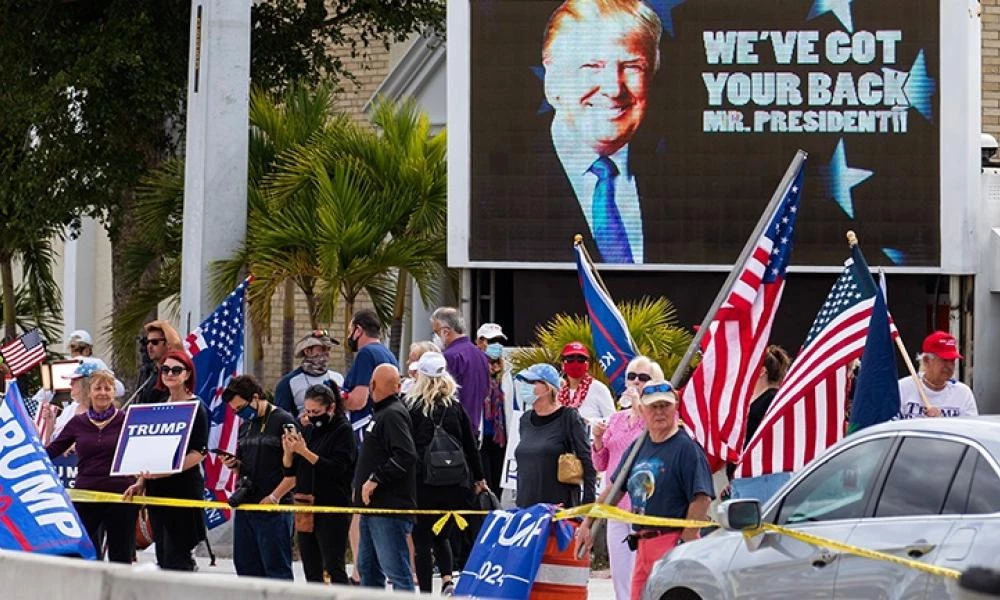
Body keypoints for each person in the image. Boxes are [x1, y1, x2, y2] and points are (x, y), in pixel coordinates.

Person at [545, 0, 663, 264]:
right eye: (591, 67)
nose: (613, 88)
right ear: (552, 82)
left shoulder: (677, 178)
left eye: (632, 66)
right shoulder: (494, 188)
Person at [577, 380, 714, 600]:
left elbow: (702, 497)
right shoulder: (638, 447)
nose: (659, 412)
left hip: (671, 543)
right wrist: (588, 522)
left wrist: (683, 542)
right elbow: (615, 490)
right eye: (653, 406)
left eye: (665, 405)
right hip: (642, 544)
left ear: (675, 407)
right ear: (642, 408)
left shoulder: (686, 448)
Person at [406, 352, 487, 595]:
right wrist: (479, 478)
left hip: (424, 483)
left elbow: (407, 448)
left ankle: (426, 592)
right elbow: (471, 446)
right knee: (442, 535)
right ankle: (447, 579)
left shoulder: (412, 407)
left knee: (422, 539)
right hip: (455, 484)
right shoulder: (455, 407)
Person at [123, 350, 209, 571]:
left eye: (176, 370)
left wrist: (169, 470)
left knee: (177, 557)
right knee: (162, 554)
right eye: (165, 369)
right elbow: (150, 448)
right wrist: (141, 480)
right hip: (156, 490)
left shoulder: (197, 407)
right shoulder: (157, 402)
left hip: (183, 490)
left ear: (187, 374)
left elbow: (200, 452)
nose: (170, 374)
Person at [46, 368, 137, 563]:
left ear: (114, 392)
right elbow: (52, 450)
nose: (103, 393)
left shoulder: (127, 420)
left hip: (121, 496)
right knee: (82, 554)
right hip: (86, 496)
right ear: (90, 392)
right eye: (98, 388)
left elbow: (143, 450)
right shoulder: (77, 423)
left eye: (108, 388)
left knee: (121, 557)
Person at [591, 356, 663, 600]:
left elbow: (656, 435)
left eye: (643, 378)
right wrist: (598, 441)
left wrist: (641, 406)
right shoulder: (617, 418)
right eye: (631, 376)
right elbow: (601, 464)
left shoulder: (658, 416)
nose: (635, 382)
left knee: (642, 571)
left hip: (645, 503)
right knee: (620, 571)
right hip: (615, 503)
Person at [341, 308, 400, 583]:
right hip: (381, 432)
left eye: (350, 329)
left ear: (358, 330)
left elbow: (359, 400)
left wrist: (337, 397)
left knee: (358, 501)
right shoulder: (387, 355)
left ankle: (359, 569)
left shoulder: (366, 356)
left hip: (363, 432)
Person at [221, 374, 298, 580]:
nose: (239, 414)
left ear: (255, 397)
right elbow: (247, 467)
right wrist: (234, 465)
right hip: (247, 506)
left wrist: (274, 497)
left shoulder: (284, 421)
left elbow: (297, 472)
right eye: (235, 411)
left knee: (276, 571)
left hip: (275, 510)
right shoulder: (246, 426)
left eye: (241, 408)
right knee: (246, 569)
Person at [282, 383, 357, 584]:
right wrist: (289, 452)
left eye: (316, 411)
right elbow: (292, 471)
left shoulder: (343, 430)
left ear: (330, 408)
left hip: (331, 505)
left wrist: (305, 452)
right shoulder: (309, 430)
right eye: (307, 411)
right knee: (311, 567)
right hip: (306, 503)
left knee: (333, 565)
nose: (311, 416)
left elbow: (338, 468)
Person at [353, 364, 418, 591]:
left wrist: (375, 479)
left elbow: (406, 455)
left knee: (396, 572)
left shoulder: (392, 414)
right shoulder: (381, 414)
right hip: (373, 509)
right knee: (368, 569)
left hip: (388, 508)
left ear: (372, 386)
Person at [514, 363, 596, 507]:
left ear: (547, 387)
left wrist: (587, 504)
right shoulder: (525, 419)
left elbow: (586, 459)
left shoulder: (568, 417)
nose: (526, 386)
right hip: (526, 506)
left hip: (558, 506)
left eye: (532, 382)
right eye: (525, 382)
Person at [725, 345, 791, 481]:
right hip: (740, 476)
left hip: (760, 475)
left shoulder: (772, 400)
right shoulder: (750, 400)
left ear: (761, 372)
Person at [431, 307, 490, 437]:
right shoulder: (481, 355)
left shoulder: (449, 356)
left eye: (435, 332)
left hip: (452, 430)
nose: (434, 337)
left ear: (445, 331)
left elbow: (441, 395)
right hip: (474, 427)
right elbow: (486, 390)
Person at [900, 331, 978, 418]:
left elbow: (970, 428)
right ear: (926, 360)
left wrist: (941, 421)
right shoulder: (902, 388)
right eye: (944, 360)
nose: (949, 366)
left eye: (952, 361)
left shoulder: (963, 393)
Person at [274, 330, 345, 424]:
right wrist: (300, 422)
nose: (327, 353)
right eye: (322, 349)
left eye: (328, 349)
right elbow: (280, 420)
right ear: (307, 351)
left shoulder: (338, 378)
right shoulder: (289, 382)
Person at [558, 341, 616, 423]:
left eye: (581, 359)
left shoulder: (598, 388)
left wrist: (588, 422)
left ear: (587, 365)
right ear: (562, 365)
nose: (575, 363)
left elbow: (613, 420)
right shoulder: (558, 390)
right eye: (570, 359)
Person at [481, 343, 509, 494]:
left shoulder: (505, 380)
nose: (493, 366)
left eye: (496, 362)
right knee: (486, 480)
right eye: (490, 362)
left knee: (498, 480)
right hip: (483, 435)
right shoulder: (478, 378)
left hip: (500, 437)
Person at [135, 320, 184, 405]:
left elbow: (176, 344)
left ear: (167, 344)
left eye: (155, 342)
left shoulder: (174, 371)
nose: (149, 346)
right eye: (147, 342)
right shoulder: (150, 374)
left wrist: (163, 324)